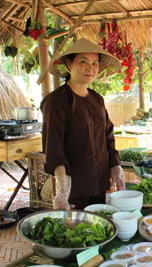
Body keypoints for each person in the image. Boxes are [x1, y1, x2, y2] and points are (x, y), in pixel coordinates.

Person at [41, 38, 125, 210]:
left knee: (99, 231)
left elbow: (108, 135)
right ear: (69, 64)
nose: (90, 68)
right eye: (84, 62)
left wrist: (115, 166)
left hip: (100, 183)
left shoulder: (97, 99)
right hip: (74, 188)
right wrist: (63, 190)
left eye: (95, 63)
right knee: (75, 233)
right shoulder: (56, 100)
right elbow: (53, 146)